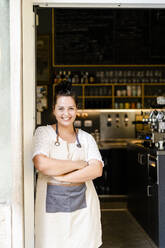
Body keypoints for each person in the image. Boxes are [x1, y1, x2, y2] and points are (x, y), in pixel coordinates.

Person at [32, 80, 104, 248]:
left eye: (71, 108)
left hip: (84, 214)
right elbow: (41, 164)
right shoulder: (43, 133)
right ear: (54, 110)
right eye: (61, 108)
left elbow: (96, 169)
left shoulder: (86, 138)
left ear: (76, 110)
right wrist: (79, 164)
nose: (66, 113)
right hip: (51, 218)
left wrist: (60, 177)